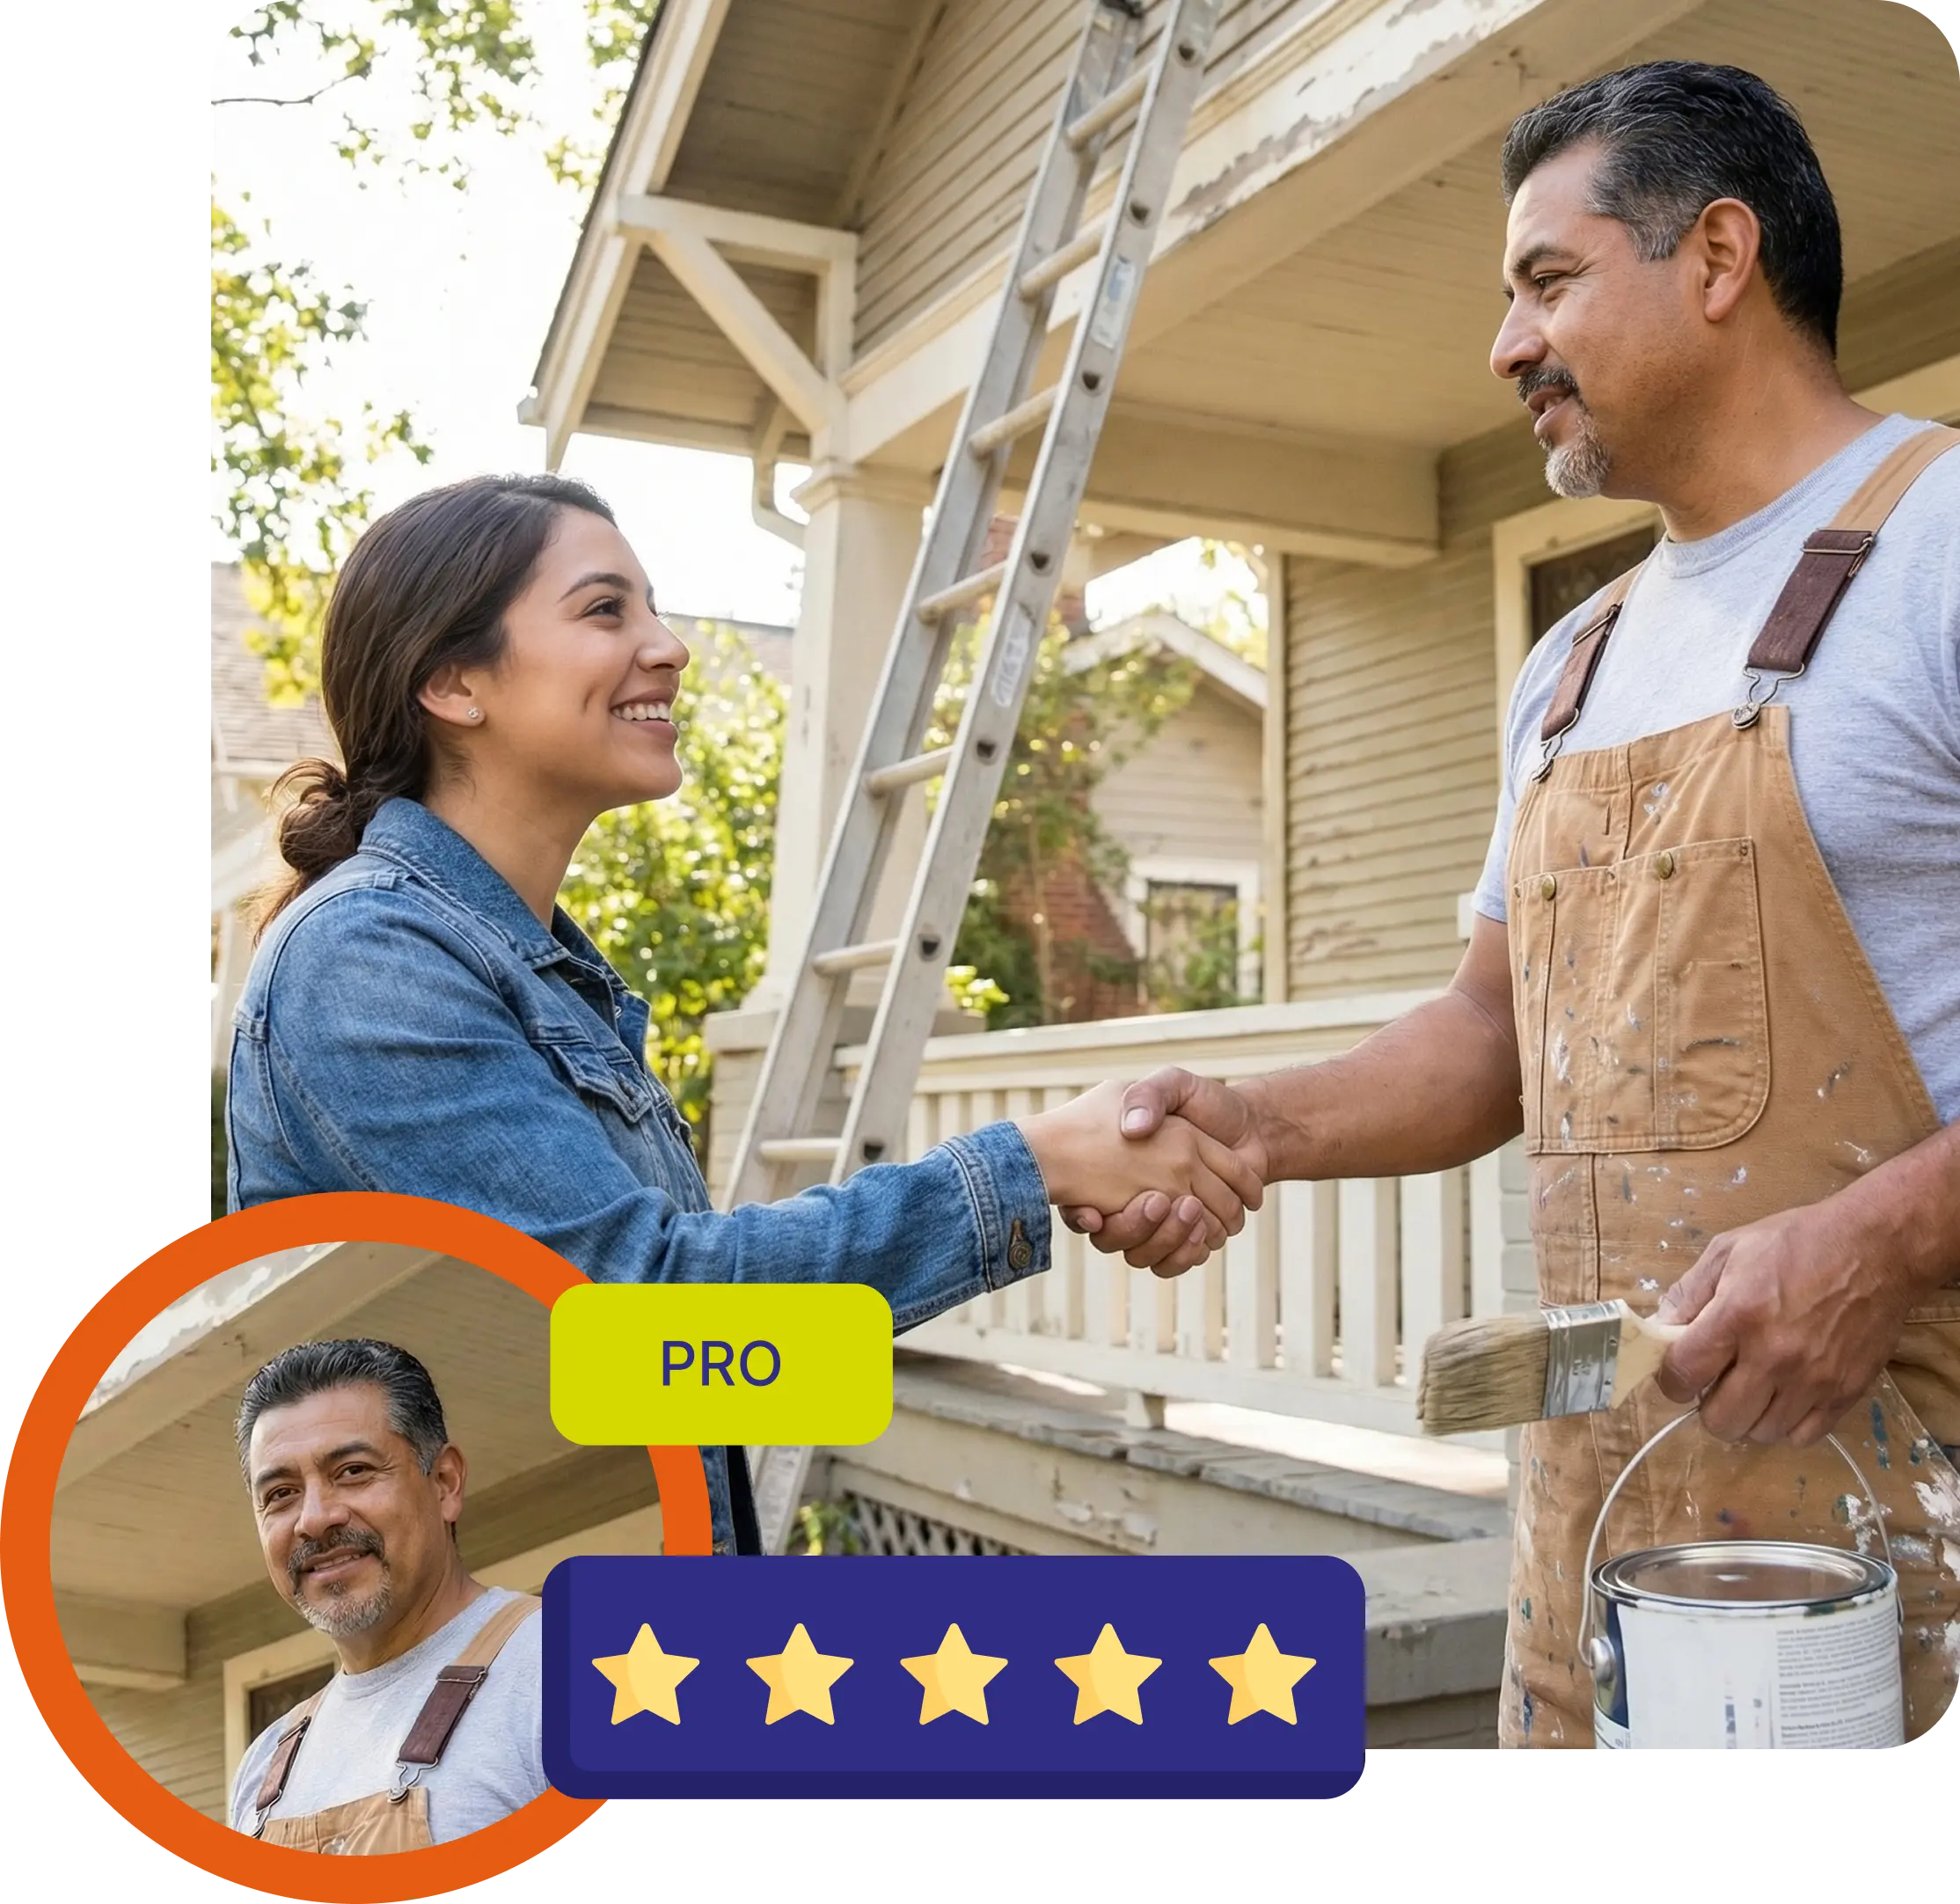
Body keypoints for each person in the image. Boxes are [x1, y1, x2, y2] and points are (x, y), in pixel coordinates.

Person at [1065, 61, 1958, 1747]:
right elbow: (1490, 1035)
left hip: (1901, 1555)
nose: (1503, 346)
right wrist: (1252, 1121)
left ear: (1712, 257)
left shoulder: (1938, 547)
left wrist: (1891, 1231)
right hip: (1594, 1561)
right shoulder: (1571, 662)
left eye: (1545, 279)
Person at [225, 472, 1262, 1556]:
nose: (668, 646)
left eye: (654, 608)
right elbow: (643, 1314)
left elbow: (671, 1372)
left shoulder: (528, 967)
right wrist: (1033, 1169)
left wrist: (1064, 1190)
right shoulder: (370, 958)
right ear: (452, 681)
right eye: (604, 609)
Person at [228, 1340, 543, 1849]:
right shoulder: (265, 1766)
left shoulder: (577, 1665)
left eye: (352, 1472)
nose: (314, 1519)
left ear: (444, 1482)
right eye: (281, 1494)